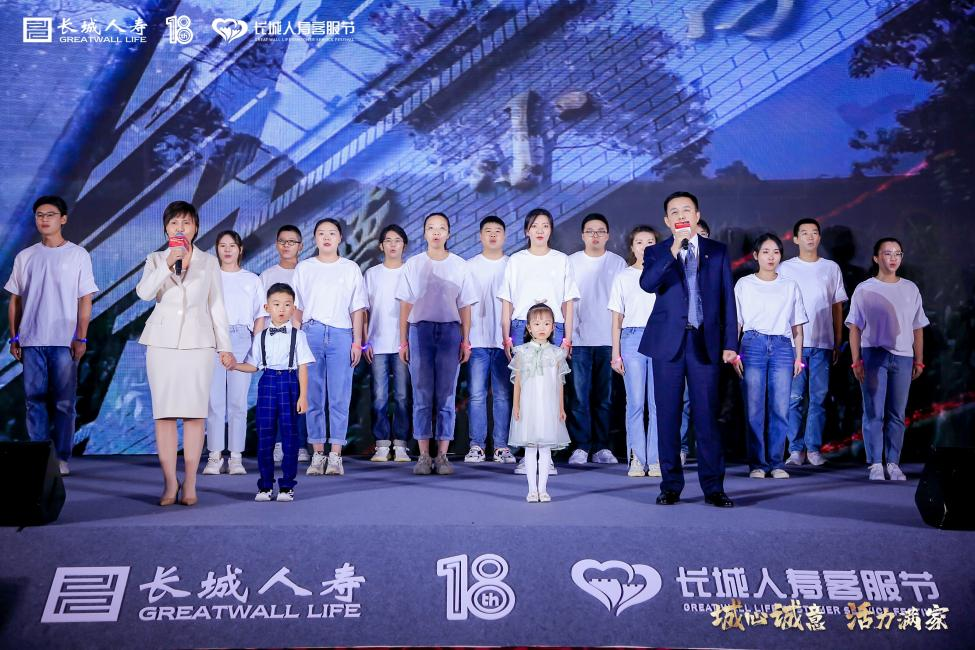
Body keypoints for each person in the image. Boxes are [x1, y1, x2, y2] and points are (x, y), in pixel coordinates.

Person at [639, 191, 737, 508]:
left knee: (707, 417)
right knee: (667, 417)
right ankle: (670, 485)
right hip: (667, 343)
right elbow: (648, 284)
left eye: (686, 210)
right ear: (667, 221)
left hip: (704, 343)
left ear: (696, 215)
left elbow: (727, 299)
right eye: (674, 212)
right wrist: (673, 249)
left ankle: (713, 487)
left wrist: (730, 343)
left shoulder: (717, 252)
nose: (681, 215)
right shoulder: (656, 252)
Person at [136, 200, 234, 506]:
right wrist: (169, 262)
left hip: (198, 343)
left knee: (194, 414)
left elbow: (217, 306)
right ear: (166, 229)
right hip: (161, 344)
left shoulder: (209, 262)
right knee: (164, 414)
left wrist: (225, 347)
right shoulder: (155, 259)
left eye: (186, 223)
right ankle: (169, 481)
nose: (180, 228)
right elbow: (144, 293)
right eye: (174, 223)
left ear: (196, 228)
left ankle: (190, 481)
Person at [5, 195, 98, 476]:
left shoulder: (78, 255)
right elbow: (15, 299)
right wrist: (14, 337)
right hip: (31, 340)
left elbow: (85, 299)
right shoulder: (25, 256)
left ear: (63, 219)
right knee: (34, 402)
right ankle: (41, 457)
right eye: (39, 215)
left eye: (50, 214)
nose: (44, 219)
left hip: (64, 341)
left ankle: (61, 457)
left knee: (64, 403)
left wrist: (81, 337)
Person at [498, 207, 579, 476]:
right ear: (527, 231)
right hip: (522, 326)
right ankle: (526, 454)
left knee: (550, 390)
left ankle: (547, 455)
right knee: (525, 390)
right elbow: (507, 300)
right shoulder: (516, 260)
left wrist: (567, 336)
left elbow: (568, 301)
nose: (540, 230)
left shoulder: (561, 260)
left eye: (545, 225)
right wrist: (505, 335)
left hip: (553, 327)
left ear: (551, 230)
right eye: (535, 226)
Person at [397, 212, 477, 476]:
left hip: (450, 332)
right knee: (421, 395)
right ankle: (423, 455)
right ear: (424, 233)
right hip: (419, 331)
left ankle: (442, 455)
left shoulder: (459, 265)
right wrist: (403, 341)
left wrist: (466, 340)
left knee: (446, 395)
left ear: (448, 233)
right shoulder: (414, 264)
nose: (436, 232)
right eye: (431, 227)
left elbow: (465, 306)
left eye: (441, 228)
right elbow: (405, 305)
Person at [846, 238, 928, 481]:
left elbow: (917, 327)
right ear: (876, 257)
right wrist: (856, 360)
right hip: (873, 355)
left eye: (897, 253)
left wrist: (919, 360)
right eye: (887, 253)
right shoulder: (864, 288)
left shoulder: (910, 288)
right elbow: (854, 327)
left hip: (903, 357)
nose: (893, 258)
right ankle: (875, 463)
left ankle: (893, 462)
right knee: (873, 411)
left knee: (897, 413)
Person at [293, 218, 367, 477]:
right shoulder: (305, 268)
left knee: (339, 397)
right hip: (311, 333)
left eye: (332, 233)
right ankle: (317, 454)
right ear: (315, 238)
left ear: (340, 238)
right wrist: (297, 339)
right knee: (313, 397)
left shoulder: (350, 268)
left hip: (341, 334)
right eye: (321, 233)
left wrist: (357, 342)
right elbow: (297, 307)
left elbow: (357, 308)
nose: (326, 237)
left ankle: (335, 454)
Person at [732, 234, 807, 479]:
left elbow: (797, 326)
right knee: (754, 409)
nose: (771, 257)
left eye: (775, 252)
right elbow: (737, 323)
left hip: (782, 347)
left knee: (780, 408)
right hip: (752, 344)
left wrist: (798, 356)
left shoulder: (790, 285)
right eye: (765, 252)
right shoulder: (744, 284)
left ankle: (776, 463)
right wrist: (734, 353)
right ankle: (757, 464)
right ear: (756, 256)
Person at [233, 283, 314, 501]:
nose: (282, 309)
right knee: (265, 435)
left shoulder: (299, 336)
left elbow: (303, 367)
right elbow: (252, 365)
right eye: (276, 304)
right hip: (267, 382)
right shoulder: (260, 336)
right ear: (267, 307)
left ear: (293, 308)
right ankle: (265, 485)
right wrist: (234, 365)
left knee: (290, 437)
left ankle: (287, 485)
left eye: (287, 305)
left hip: (290, 382)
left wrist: (303, 396)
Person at [778, 218, 848, 466]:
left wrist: (837, 339)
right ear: (795, 238)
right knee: (794, 398)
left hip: (822, 344)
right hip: (793, 344)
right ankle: (795, 449)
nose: (810, 237)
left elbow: (837, 306)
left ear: (819, 237)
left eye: (814, 232)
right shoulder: (785, 268)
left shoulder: (831, 268)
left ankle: (814, 449)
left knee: (819, 398)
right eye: (804, 233)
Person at [567, 214, 627, 465]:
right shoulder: (571, 262)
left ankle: (602, 446)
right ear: (582, 235)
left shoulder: (618, 263)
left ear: (608, 236)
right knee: (579, 398)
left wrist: (619, 343)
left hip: (608, 340)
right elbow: (566, 302)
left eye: (600, 231)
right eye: (590, 231)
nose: (595, 235)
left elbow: (623, 304)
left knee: (605, 398)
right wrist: (567, 337)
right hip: (579, 340)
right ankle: (581, 446)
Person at [204, 231, 264, 476]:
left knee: (238, 402)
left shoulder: (252, 279)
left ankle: (236, 457)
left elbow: (260, 315)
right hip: (213, 337)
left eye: (232, 245)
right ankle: (214, 456)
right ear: (216, 249)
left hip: (241, 337)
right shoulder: (209, 277)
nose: (227, 250)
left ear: (240, 249)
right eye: (222, 245)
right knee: (214, 402)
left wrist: (255, 345)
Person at [609, 226, 660, 478]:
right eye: (639, 242)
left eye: (650, 242)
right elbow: (616, 319)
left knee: (658, 403)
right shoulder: (623, 277)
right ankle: (637, 459)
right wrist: (615, 353)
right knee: (636, 402)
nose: (645, 246)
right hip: (631, 339)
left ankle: (657, 459)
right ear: (632, 247)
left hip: (660, 339)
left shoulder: (665, 274)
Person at [508, 303, 571, 502]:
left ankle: (543, 489)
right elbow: (517, 382)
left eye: (546, 323)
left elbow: (560, 383)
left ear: (553, 327)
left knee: (545, 449)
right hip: (529, 406)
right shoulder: (522, 352)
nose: (541, 328)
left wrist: (561, 408)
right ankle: (531, 489)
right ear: (528, 327)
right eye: (536, 324)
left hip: (548, 407)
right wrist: (516, 405)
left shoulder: (557, 353)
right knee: (530, 447)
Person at [465, 216, 515, 464]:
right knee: (476, 395)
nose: (493, 235)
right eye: (488, 231)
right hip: (477, 341)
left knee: (503, 395)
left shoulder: (512, 265)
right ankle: (476, 445)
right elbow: (464, 304)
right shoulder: (470, 266)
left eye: (497, 231)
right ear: (480, 236)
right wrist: (464, 338)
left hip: (503, 341)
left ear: (504, 236)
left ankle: (501, 446)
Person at [260, 224, 311, 465]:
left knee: (300, 393)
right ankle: (279, 444)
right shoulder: (267, 275)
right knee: (277, 397)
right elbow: (261, 312)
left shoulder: (308, 270)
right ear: (276, 245)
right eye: (283, 241)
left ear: (301, 246)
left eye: (292, 242)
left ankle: (300, 444)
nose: (287, 245)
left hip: (301, 339)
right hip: (275, 343)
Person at [364, 224, 412, 463]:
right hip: (378, 344)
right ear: (381, 246)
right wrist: (365, 341)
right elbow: (363, 310)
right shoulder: (372, 274)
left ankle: (401, 444)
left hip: (403, 345)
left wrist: (409, 342)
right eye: (388, 241)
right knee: (379, 396)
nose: (393, 245)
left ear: (404, 245)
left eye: (398, 240)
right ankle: (382, 444)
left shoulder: (411, 271)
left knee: (402, 396)